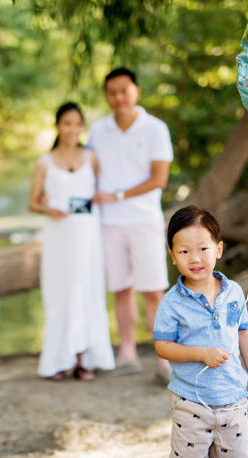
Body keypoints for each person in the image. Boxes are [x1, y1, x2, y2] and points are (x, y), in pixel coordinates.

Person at [153, 206, 248, 458]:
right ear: (172, 256)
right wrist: (200, 354)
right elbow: (162, 346)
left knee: (231, 453)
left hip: (232, 392)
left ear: (218, 248)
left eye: (203, 248)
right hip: (191, 397)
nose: (195, 258)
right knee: (188, 457)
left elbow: (243, 333)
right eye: (184, 251)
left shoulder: (234, 292)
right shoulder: (172, 302)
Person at [88, 67, 173, 380]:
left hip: (144, 219)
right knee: (121, 289)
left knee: (153, 291)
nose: (118, 98)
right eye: (111, 92)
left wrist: (117, 194)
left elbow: (159, 178)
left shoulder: (155, 128)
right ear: (106, 96)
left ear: (136, 91)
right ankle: (126, 353)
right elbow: (88, 172)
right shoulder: (98, 130)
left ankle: (164, 359)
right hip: (108, 223)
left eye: (123, 91)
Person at [28, 102, 116, 381]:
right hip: (59, 236)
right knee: (60, 294)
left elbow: (103, 191)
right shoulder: (44, 162)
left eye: (77, 123)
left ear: (82, 127)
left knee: (87, 290)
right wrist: (49, 208)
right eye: (66, 123)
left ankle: (85, 359)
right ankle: (58, 360)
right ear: (57, 126)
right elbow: (32, 203)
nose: (71, 129)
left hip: (88, 234)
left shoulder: (92, 157)